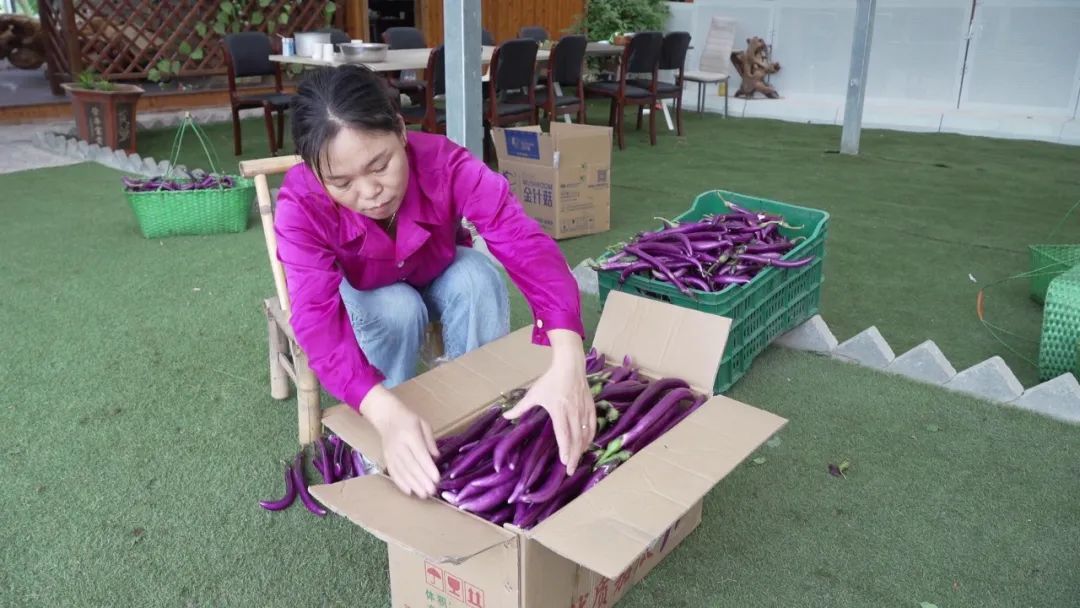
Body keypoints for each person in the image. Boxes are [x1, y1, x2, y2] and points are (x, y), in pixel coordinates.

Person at [274, 64, 595, 500]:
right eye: (342, 183)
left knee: (479, 277)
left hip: (434, 266)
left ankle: (478, 415)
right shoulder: (300, 203)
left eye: (381, 165)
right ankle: (386, 432)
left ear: (401, 132)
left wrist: (569, 355)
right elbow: (314, 315)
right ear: (314, 173)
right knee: (397, 309)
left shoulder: (444, 162)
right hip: (369, 289)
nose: (370, 192)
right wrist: (383, 412)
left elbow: (521, 239)